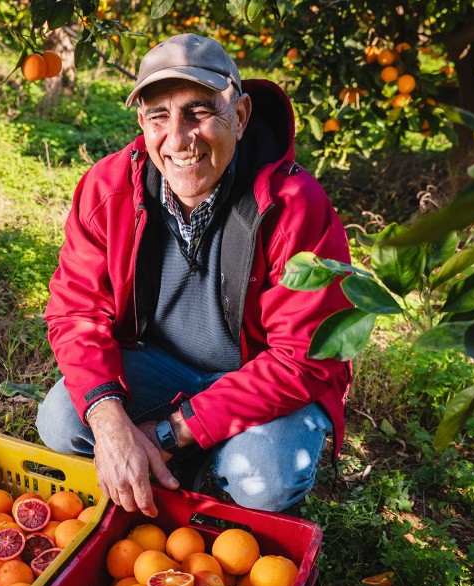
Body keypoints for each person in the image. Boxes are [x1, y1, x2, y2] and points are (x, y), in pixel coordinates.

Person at [36, 33, 352, 517]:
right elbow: (76, 312)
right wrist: (108, 418)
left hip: (259, 378)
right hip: (164, 367)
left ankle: (196, 456)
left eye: (199, 112)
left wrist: (171, 433)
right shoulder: (107, 188)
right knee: (62, 420)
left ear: (240, 116)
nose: (179, 138)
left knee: (265, 476)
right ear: (142, 123)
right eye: (159, 116)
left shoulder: (293, 207)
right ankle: (181, 455)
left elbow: (303, 359)